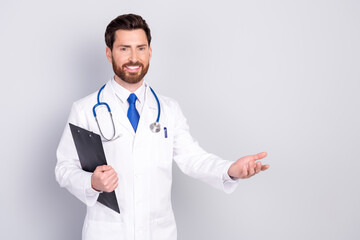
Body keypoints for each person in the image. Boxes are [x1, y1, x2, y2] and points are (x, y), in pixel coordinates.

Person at [55, 13, 269, 240]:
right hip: (107, 231)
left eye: (141, 48)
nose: (134, 58)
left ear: (149, 51)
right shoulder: (85, 109)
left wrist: (230, 170)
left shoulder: (168, 109)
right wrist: (92, 182)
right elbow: (64, 168)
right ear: (109, 53)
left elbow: (193, 158)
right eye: (124, 49)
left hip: (158, 232)